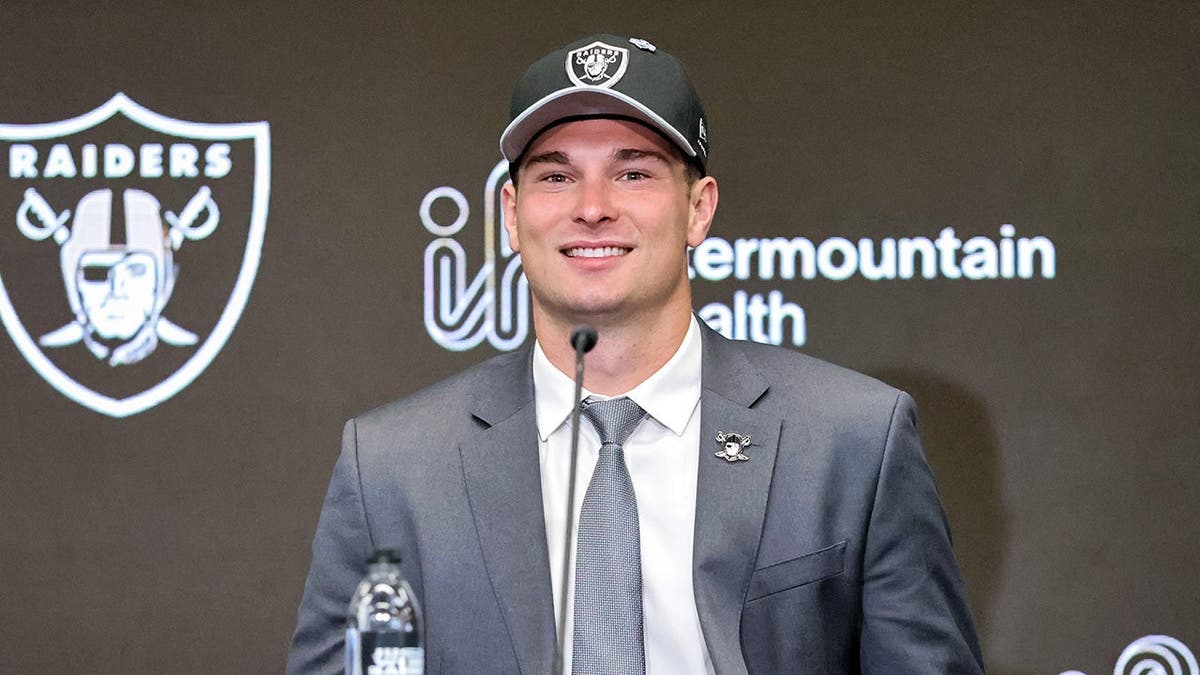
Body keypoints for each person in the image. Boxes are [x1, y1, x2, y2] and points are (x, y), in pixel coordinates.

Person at [288, 33, 984, 674]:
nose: (591, 207)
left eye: (633, 174)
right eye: (555, 176)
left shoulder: (853, 440)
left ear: (699, 208)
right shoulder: (391, 467)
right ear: (509, 213)